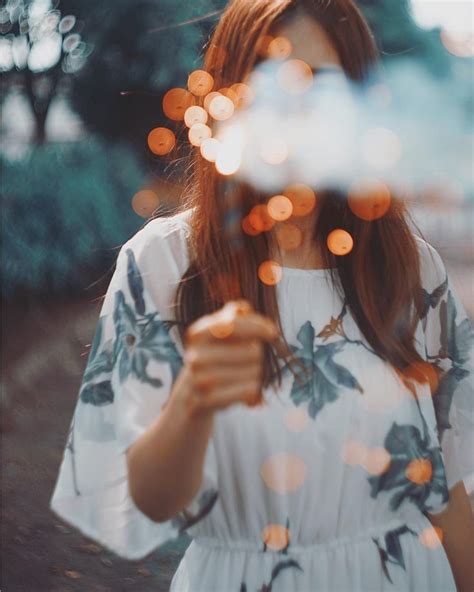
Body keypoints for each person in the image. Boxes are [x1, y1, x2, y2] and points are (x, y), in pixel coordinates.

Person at [50, 0, 474, 590]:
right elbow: (148, 500)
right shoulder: (163, 263)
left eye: (321, 86)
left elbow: (451, 489)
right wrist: (192, 400)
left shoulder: (410, 269)